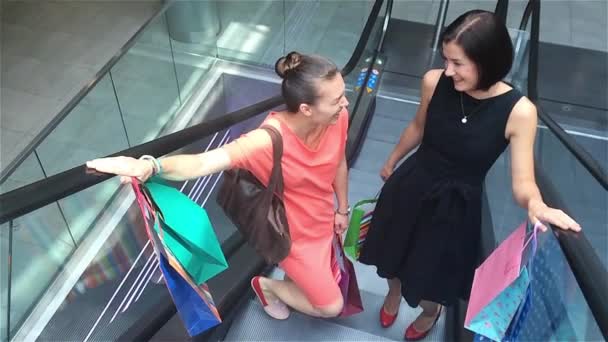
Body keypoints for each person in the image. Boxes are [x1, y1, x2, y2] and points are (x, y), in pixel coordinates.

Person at [358, 10, 581, 341]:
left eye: (458, 63)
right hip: (412, 184)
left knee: (433, 277)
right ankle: (393, 293)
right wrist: (392, 160)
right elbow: (419, 126)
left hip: (455, 209)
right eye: (445, 59)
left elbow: (523, 181)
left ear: (487, 61)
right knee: (391, 255)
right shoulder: (434, 81)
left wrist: (536, 203)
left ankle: (430, 313)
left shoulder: (519, 111)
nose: (448, 70)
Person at [86, 52, 351, 320]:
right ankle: (267, 286)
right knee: (330, 306)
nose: (346, 102)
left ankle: (293, 283)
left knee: (316, 278)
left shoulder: (337, 118)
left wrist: (342, 208)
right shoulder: (266, 141)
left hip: (324, 217)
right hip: (291, 235)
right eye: (337, 99)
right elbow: (204, 163)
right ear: (306, 109)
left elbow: (338, 161)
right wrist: (152, 166)